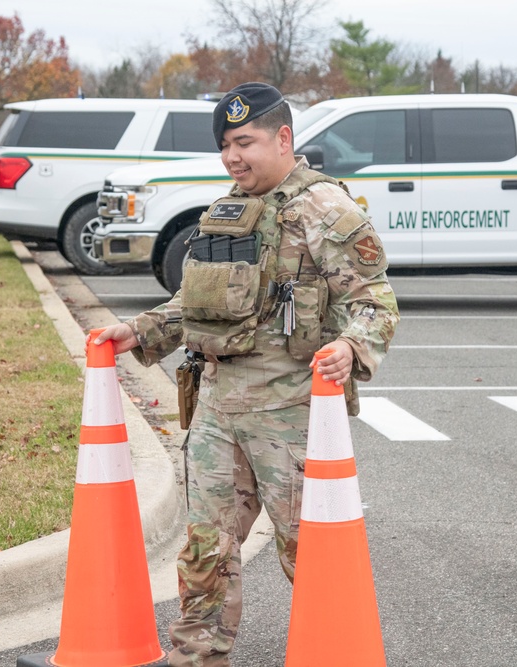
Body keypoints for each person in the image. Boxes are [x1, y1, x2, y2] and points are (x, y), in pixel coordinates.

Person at [95, 82, 399, 665]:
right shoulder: (229, 209)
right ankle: (197, 657)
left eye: (245, 142)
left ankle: (337, 653)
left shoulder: (326, 208)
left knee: (310, 550)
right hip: (217, 407)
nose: (234, 157)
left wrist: (350, 348)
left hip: (289, 412)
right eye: (226, 147)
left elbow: (375, 302)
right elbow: (199, 302)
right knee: (207, 548)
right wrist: (140, 331)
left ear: (283, 138)